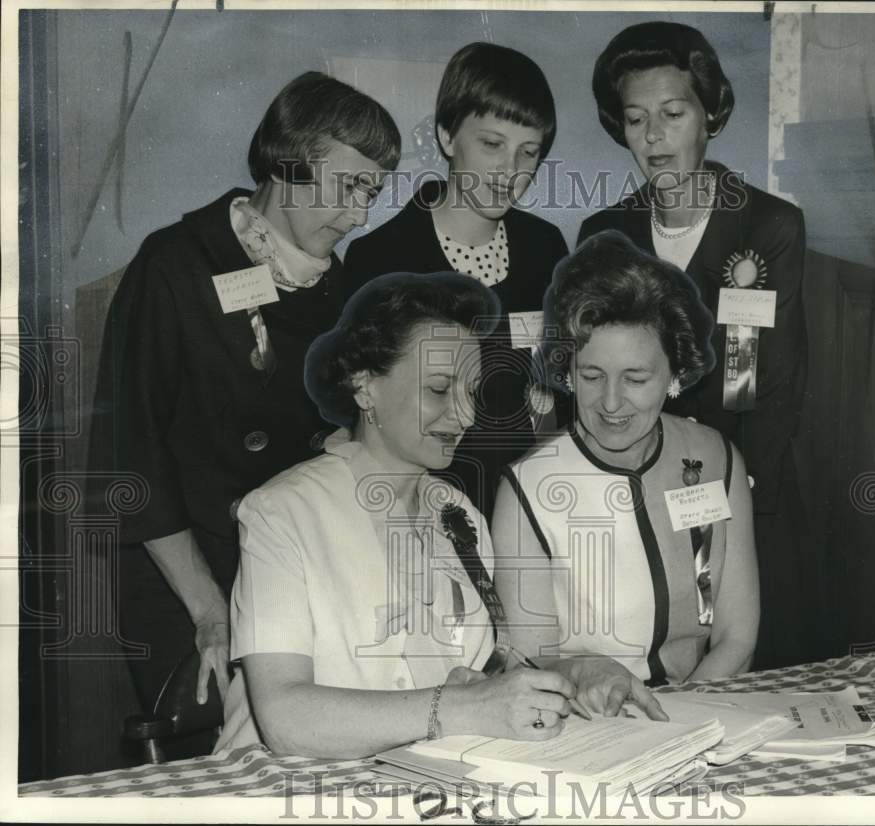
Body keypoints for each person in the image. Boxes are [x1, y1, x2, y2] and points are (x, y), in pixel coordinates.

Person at [88, 71, 401, 714]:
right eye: (347, 187)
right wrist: (208, 609)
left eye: (372, 191)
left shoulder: (335, 288)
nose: (360, 214)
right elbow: (131, 454)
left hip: (286, 562)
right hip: (183, 572)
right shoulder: (175, 264)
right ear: (287, 166)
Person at [214, 272, 578, 757]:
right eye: (438, 389)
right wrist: (459, 706)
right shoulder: (282, 512)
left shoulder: (459, 514)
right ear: (365, 389)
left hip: (418, 777)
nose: (464, 416)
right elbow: (285, 718)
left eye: (471, 392)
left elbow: (476, 673)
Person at [578, 22, 813, 669]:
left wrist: (728, 498)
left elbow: (765, 381)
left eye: (672, 113)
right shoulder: (604, 233)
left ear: (709, 115)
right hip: (635, 489)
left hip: (742, 487)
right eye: (634, 119)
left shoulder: (766, 225)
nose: (653, 137)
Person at [492, 231, 759, 711]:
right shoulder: (526, 486)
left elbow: (736, 637)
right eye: (592, 376)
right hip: (586, 723)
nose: (611, 403)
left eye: (636, 378)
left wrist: (679, 717)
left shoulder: (717, 459)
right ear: (567, 372)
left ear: (675, 374)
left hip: (704, 706)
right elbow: (529, 659)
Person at [344, 42, 569, 521]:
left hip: (530, 507)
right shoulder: (379, 259)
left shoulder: (546, 248)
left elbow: (559, 393)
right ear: (448, 136)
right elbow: (359, 418)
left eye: (527, 153)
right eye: (491, 144)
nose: (509, 171)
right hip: (419, 514)